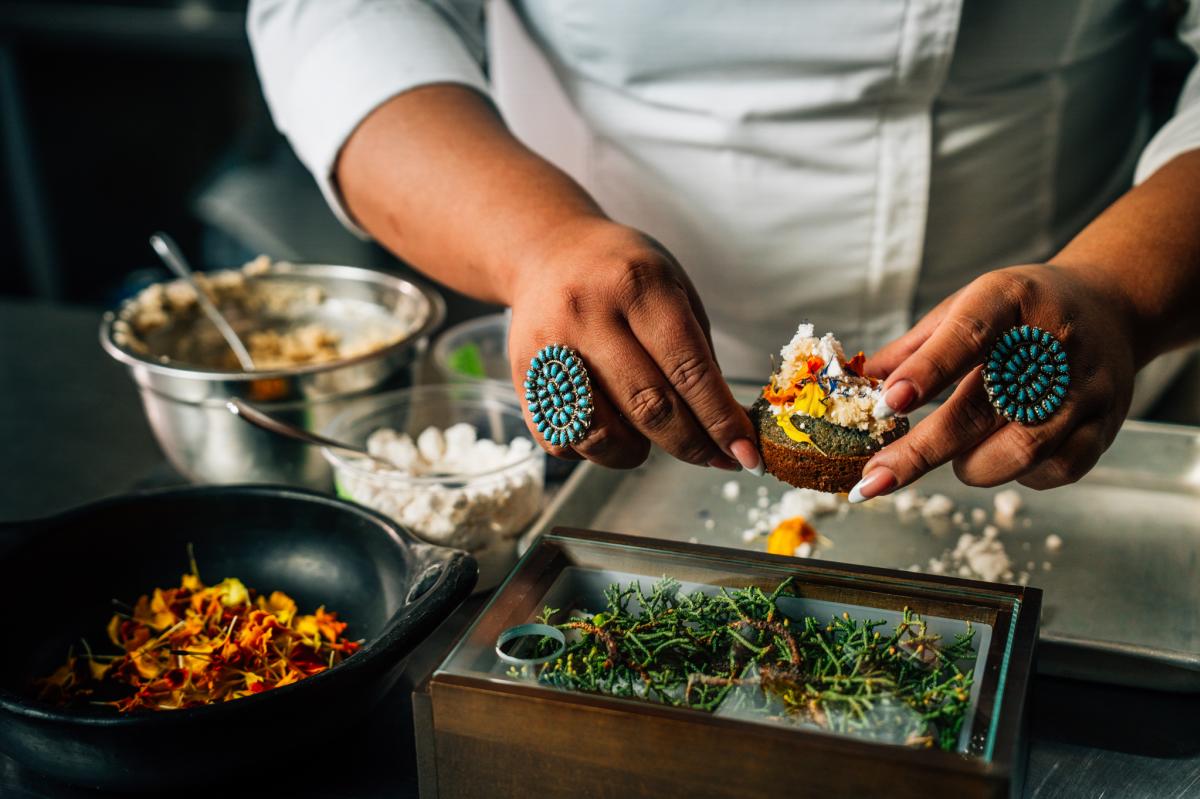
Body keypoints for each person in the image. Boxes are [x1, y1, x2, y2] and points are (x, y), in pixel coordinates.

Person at [248, 1, 1200, 501]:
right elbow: (340, 14)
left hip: (1061, 380)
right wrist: (534, 243)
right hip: (617, 366)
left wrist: (1119, 291)